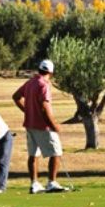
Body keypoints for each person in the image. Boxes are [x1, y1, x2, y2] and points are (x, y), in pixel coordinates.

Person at [12, 59, 68, 194]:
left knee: (33, 155)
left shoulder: (30, 82)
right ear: (51, 72)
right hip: (43, 126)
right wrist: (54, 125)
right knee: (56, 153)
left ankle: (34, 184)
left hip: (30, 125)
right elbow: (44, 107)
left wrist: (28, 111)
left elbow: (16, 97)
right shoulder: (44, 84)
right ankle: (51, 183)